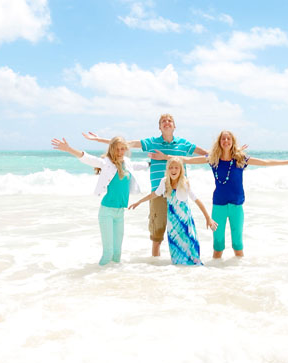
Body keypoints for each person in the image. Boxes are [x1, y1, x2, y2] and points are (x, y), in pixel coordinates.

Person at [153, 130, 288, 258]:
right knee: (218, 245)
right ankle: (217, 276)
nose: (225, 141)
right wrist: (166, 157)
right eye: (223, 139)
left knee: (237, 244)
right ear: (219, 142)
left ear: (232, 141)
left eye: (228, 138)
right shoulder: (213, 159)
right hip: (218, 205)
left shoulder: (240, 159)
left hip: (236, 205)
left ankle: (239, 275)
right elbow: (188, 160)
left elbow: (265, 162)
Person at [83, 113, 208, 257]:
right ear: (159, 127)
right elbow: (126, 144)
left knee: (182, 230)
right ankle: (155, 265)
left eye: (170, 121)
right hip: (158, 191)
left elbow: (207, 155)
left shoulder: (184, 144)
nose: (167, 123)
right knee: (157, 233)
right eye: (163, 121)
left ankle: (182, 263)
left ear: (174, 126)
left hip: (179, 191)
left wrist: (227, 154)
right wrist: (98, 139)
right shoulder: (152, 142)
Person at [51, 136, 147, 266]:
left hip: (120, 213)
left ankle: (112, 281)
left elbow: (143, 165)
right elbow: (87, 158)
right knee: (108, 252)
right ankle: (96, 278)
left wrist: (160, 161)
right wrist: (68, 149)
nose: (120, 152)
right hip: (106, 212)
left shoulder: (128, 163)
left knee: (117, 253)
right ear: (112, 149)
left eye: (122, 149)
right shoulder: (106, 163)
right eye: (117, 149)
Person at [128, 157, 217, 266]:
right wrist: (139, 202)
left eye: (176, 168)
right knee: (176, 253)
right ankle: (178, 276)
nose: (173, 170)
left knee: (191, 251)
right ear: (167, 169)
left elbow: (197, 200)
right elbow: (154, 194)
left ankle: (195, 273)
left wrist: (208, 218)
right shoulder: (164, 182)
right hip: (173, 224)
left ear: (181, 170)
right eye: (171, 168)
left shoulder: (184, 183)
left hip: (185, 222)